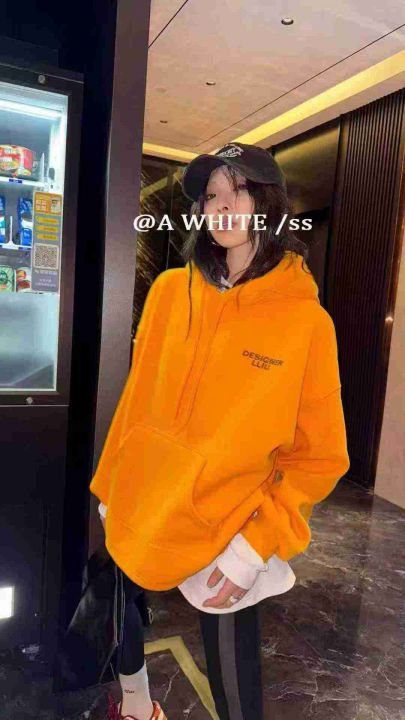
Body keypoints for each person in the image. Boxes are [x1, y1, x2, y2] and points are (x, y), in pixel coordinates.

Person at [90, 141, 350, 720]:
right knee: (117, 610)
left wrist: (253, 549)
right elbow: (136, 404)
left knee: (233, 675)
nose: (223, 206)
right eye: (212, 195)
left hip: (229, 523)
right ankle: (136, 707)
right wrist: (112, 486)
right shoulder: (168, 292)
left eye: (240, 191)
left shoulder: (305, 322)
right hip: (143, 500)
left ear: (269, 204)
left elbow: (319, 457)